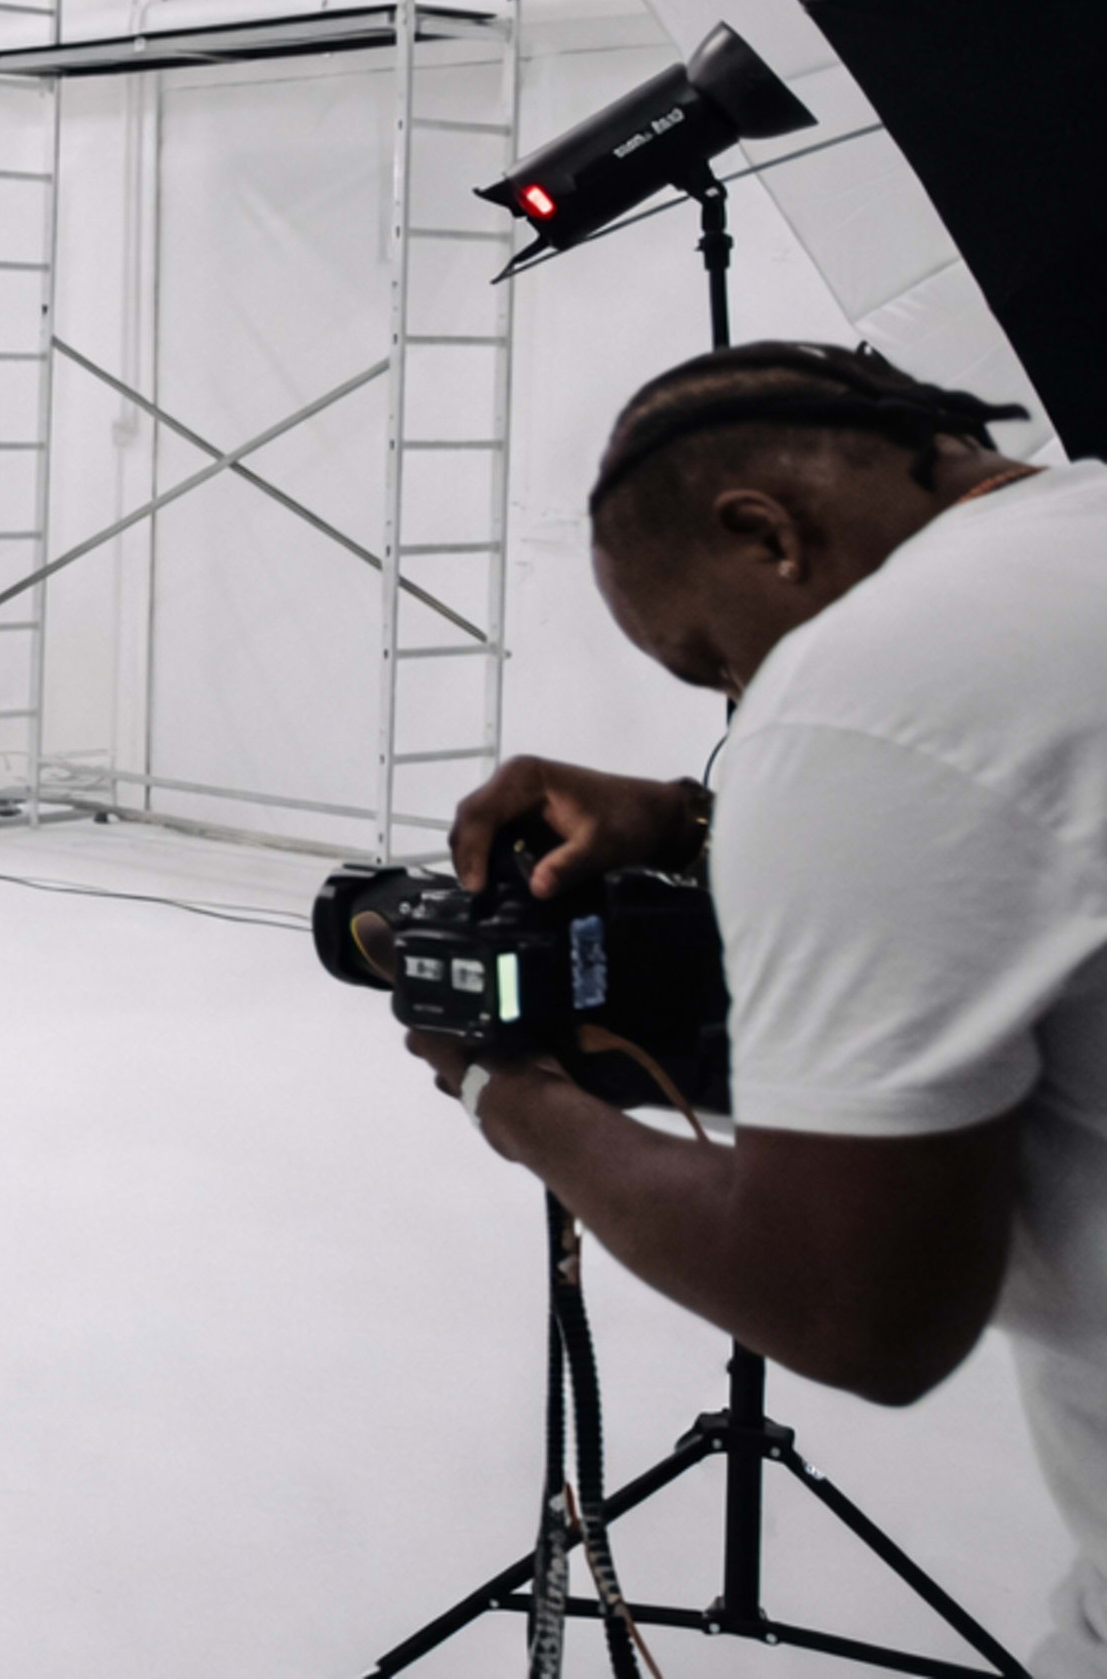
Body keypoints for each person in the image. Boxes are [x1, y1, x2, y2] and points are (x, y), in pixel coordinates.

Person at [413, 341, 1107, 1669]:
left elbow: (857, 1309)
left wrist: (509, 1099)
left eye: (710, 661)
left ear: (764, 532)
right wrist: (693, 821)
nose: (741, 699)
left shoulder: (867, 684)